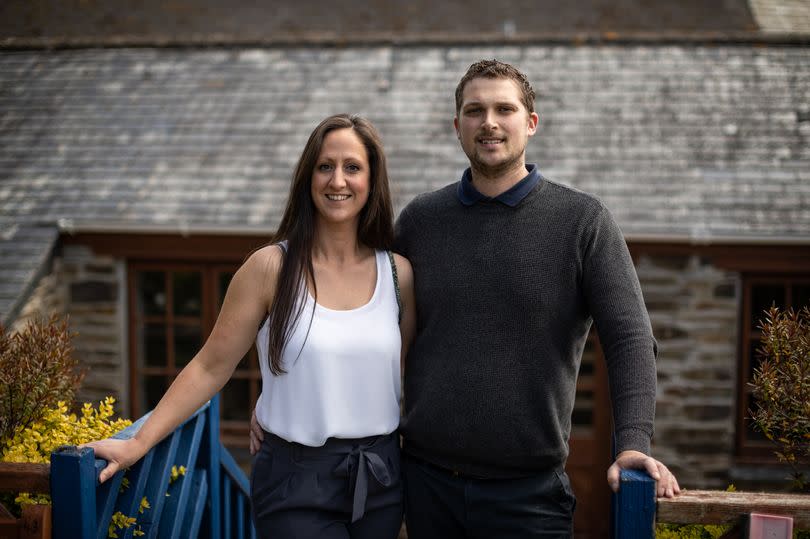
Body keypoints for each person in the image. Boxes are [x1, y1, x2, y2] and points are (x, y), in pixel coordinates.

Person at [252, 60, 680, 538]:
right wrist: (286, 393)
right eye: (475, 111)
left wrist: (632, 443)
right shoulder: (421, 221)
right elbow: (354, 313)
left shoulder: (583, 223)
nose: (489, 122)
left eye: (504, 109)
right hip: (425, 486)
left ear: (531, 123)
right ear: (458, 127)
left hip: (529, 497)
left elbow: (631, 339)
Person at [84, 114, 416, 539]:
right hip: (295, 481)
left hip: (380, 477)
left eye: (352, 167)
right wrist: (139, 442)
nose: (338, 180)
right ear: (307, 177)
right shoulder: (269, 269)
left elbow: (404, 376)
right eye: (324, 166)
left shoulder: (397, 275)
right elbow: (210, 366)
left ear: (372, 180)